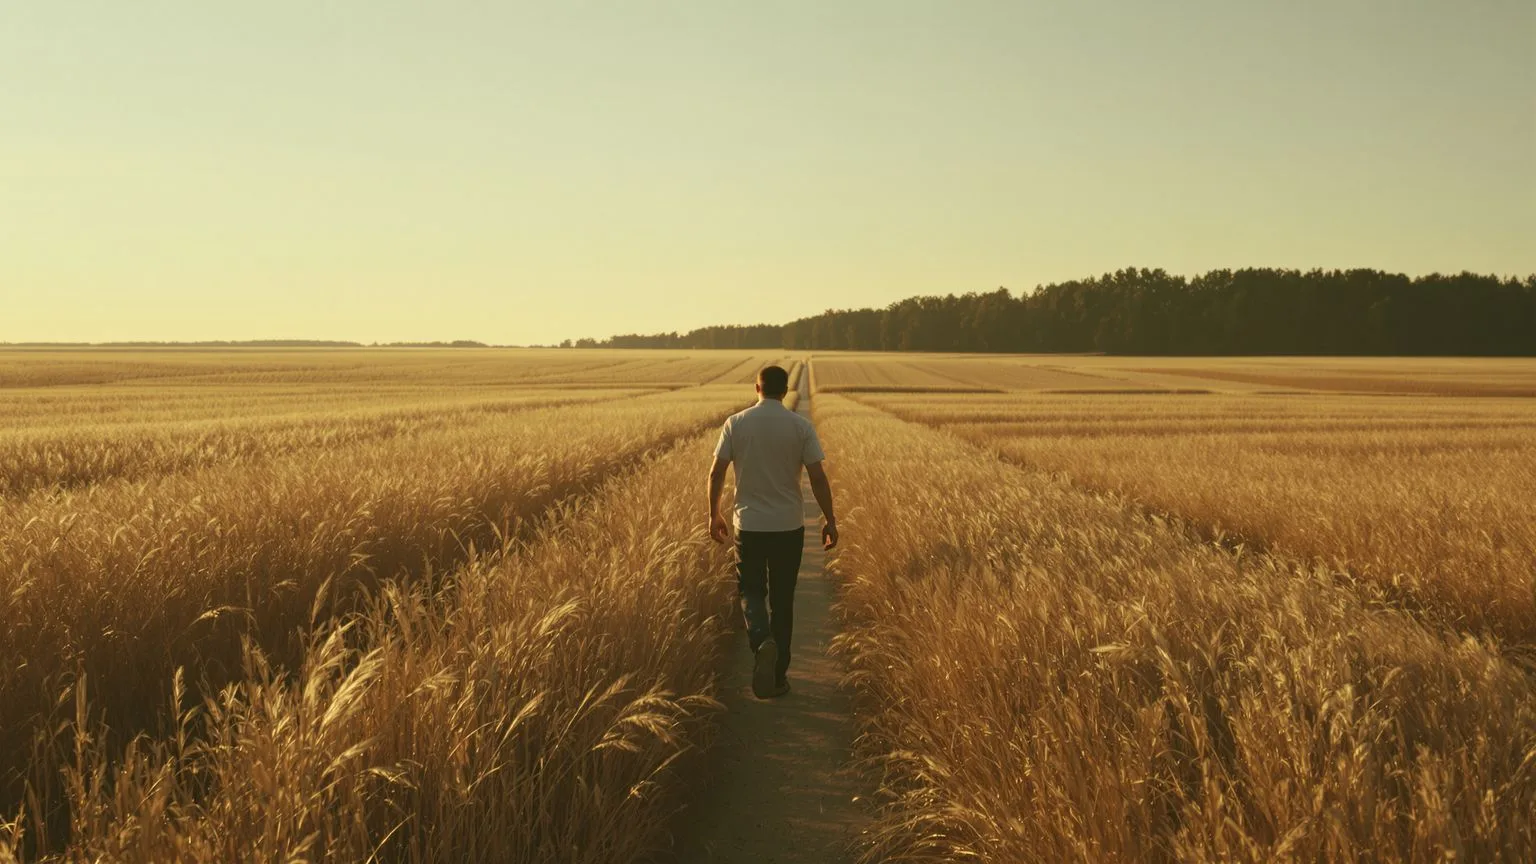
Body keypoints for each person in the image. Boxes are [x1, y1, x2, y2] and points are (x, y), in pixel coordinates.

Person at [707, 364, 837, 699]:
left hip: (748, 526)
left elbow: (716, 472)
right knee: (782, 600)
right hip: (788, 526)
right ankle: (778, 679)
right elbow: (818, 477)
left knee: (751, 591)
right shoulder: (799, 426)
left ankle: (760, 638)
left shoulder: (736, 423)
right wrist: (830, 519)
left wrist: (713, 514)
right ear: (784, 390)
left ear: (757, 388)